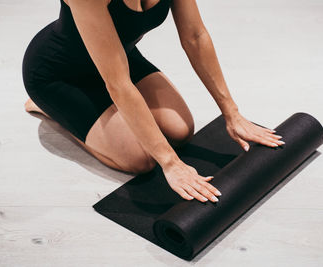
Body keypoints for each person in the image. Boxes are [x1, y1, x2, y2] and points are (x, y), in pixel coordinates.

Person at [22, 0, 285, 204]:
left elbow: (195, 36)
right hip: (60, 75)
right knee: (141, 160)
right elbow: (118, 84)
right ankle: (47, 106)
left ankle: (103, 117)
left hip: (119, 56)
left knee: (180, 130)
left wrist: (232, 113)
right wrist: (171, 163)